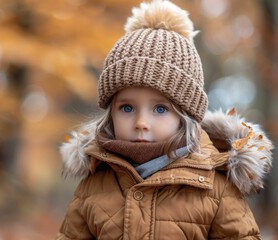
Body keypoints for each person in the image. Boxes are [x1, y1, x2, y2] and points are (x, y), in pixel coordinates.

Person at [57, 0, 274, 239]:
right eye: (127, 107)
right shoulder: (94, 184)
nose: (141, 122)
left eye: (160, 109)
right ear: (110, 114)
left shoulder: (215, 187)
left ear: (185, 116)